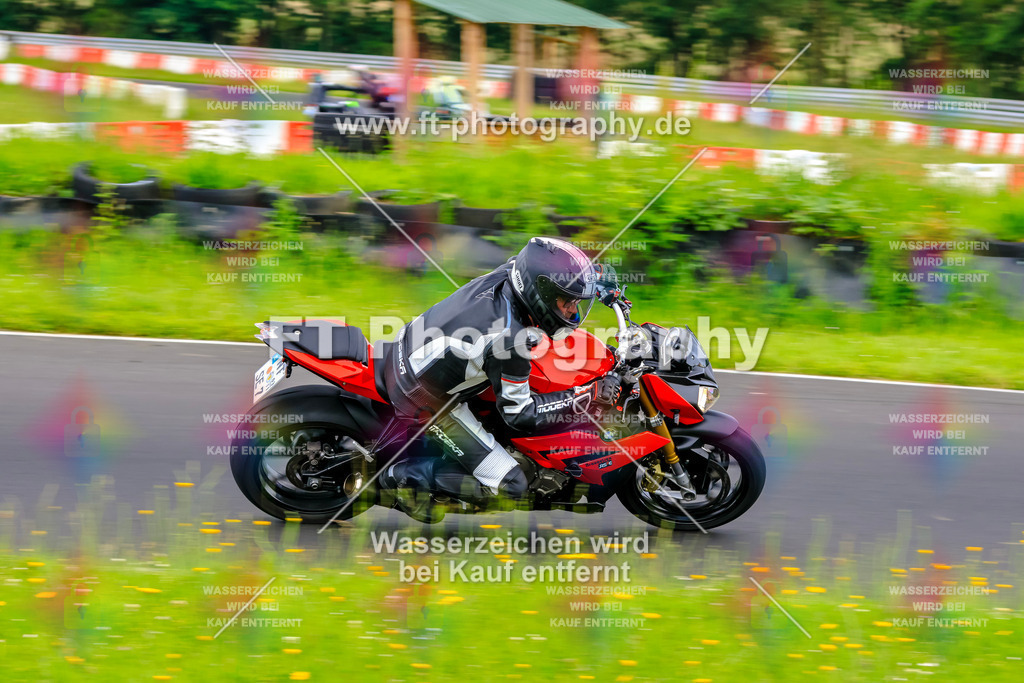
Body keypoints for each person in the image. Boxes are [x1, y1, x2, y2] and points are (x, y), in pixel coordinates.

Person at [378, 237, 621, 519]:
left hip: (411, 347)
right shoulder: (510, 341)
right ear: (540, 293)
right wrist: (586, 395)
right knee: (513, 485)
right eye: (567, 301)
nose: (573, 310)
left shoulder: (513, 274)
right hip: (423, 397)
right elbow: (520, 414)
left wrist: (594, 281)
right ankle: (402, 475)